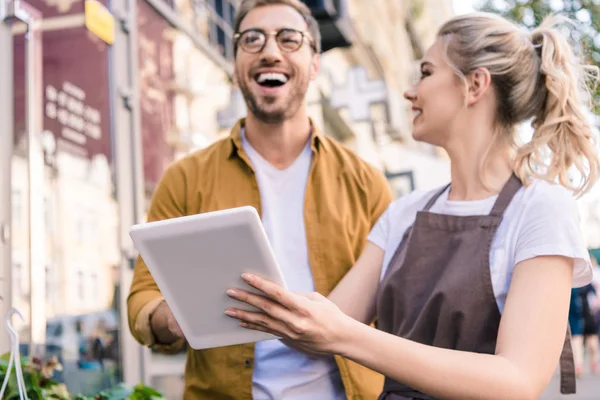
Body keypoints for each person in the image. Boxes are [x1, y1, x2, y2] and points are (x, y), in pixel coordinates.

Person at [225, 12, 600, 400]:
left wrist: (344, 335)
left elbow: (517, 380)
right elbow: (322, 327)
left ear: (474, 85)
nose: (410, 91)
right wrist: (239, 294)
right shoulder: (404, 213)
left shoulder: (540, 208)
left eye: (425, 72)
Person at [126, 0, 392, 398]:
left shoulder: (366, 183)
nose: (270, 51)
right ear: (234, 66)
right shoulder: (185, 178)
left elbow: (397, 307)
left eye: (289, 39)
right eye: (252, 39)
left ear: (315, 63)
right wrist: (171, 316)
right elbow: (142, 298)